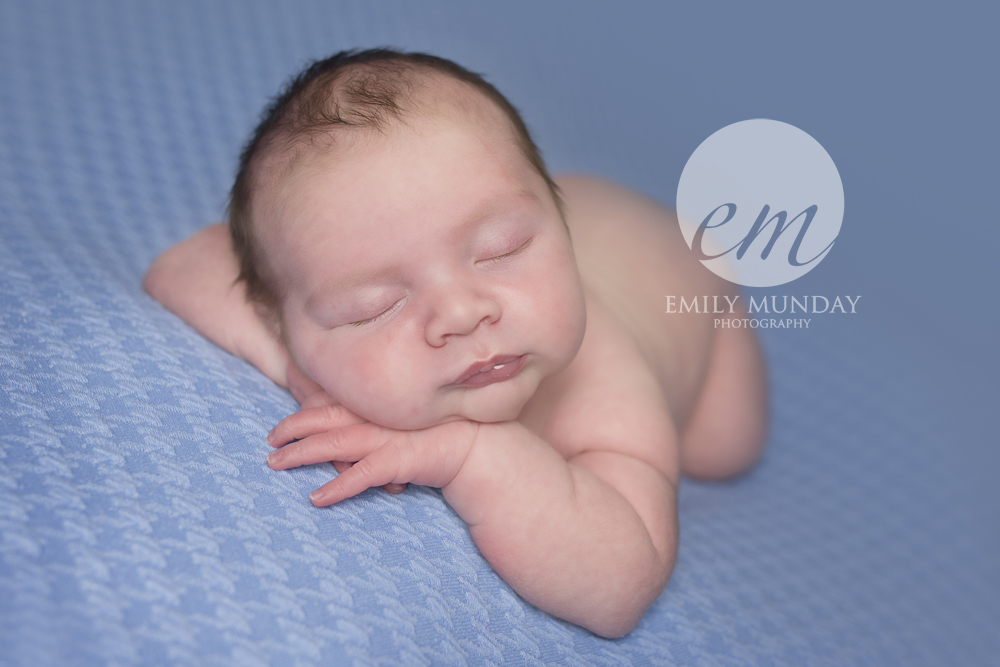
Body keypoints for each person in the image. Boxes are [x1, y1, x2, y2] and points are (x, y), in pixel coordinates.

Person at [143, 49, 768, 638]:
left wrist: (469, 453)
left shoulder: (607, 383)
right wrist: (304, 370)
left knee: (722, 447)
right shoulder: (302, 311)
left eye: (504, 249)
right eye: (374, 307)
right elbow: (179, 267)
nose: (463, 314)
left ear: (557, 225)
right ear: (281, 321)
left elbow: (621, 584)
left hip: (689, 273)